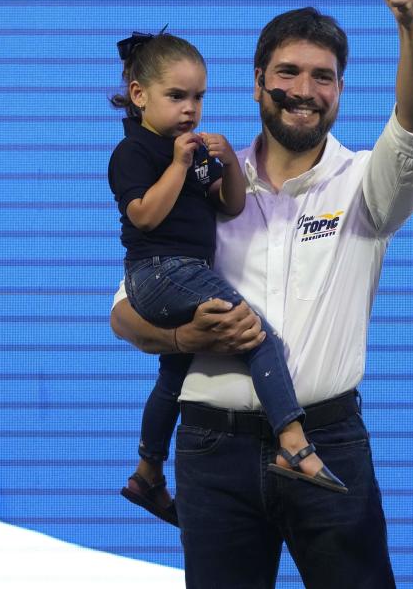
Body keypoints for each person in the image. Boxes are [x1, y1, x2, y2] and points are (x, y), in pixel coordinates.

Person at [110, 0, 413, 588]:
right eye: (288, 73)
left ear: (342, 91)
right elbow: (125, 310)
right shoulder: (204, 172)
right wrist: (182, 337)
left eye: (323, 77)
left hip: (327, 438)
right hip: (212, 452)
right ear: (258, 82)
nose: (305, 90)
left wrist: (410, 25)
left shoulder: (365, 186)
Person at [107, 32, 345, 527]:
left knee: (175, 373)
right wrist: (177, 165)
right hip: (159, 272)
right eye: (177, 97)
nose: (190, 109)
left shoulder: (192, 152)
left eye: (198, 97)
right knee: (257, 336)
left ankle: (148, 471)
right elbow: (146, 216)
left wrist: (232, 163)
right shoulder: (134, 151)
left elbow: (231, 204)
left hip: (184, 273)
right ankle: (293, 443)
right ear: (138, 95)